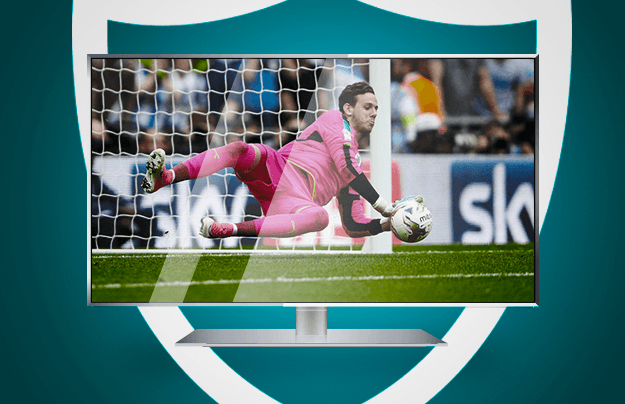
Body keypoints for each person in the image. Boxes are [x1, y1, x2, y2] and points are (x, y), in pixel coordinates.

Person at [141, 82, 405, 240]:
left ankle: (227, 229)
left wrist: (386, 224)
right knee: (240, 149)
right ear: (348, 108)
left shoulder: (355, 166)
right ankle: (166, 177)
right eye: (368, 107)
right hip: (277, 169)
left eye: (376, 108)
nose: (374, 113)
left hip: (296, 201)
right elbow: (345, 165)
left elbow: (353, 224)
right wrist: (383, 205)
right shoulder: (335, 120)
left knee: (320, 217)